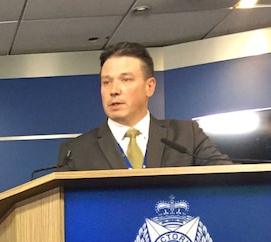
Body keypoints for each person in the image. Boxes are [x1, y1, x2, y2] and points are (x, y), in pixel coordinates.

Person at [57, 42, 231, 171]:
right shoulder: (76, 151)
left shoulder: (187, 136)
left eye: (126, 80)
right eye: (106, 82)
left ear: (150, 86)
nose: (114, 90)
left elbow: (229, 178)